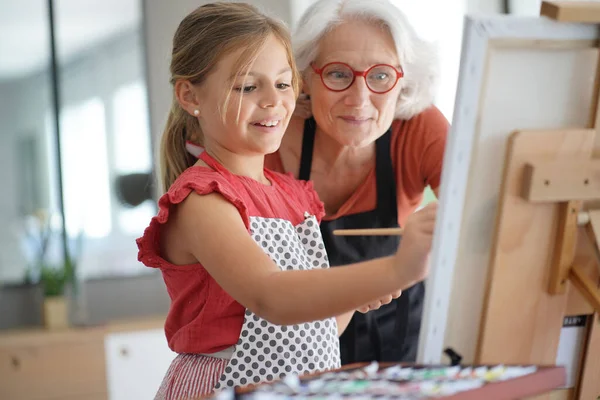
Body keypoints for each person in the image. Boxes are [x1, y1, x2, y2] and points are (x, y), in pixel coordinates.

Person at [136, 2, 437, 399]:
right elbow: (272, 296)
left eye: (282, 84)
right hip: (226, 388)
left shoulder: (295, 196)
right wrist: (396, 269)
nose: (273, 101)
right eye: (248, 86)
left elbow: (314, 329)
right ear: (190, 95)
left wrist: (356, 295)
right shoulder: (203, 201)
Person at [263, 0, 450, 365]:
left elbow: (478, 225)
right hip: (292, 351)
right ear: (305, 76)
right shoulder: (268, 136)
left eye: (381, 75)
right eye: (337, 74)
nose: (360, 99)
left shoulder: (420, 128)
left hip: (402, 350)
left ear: (404, 79)